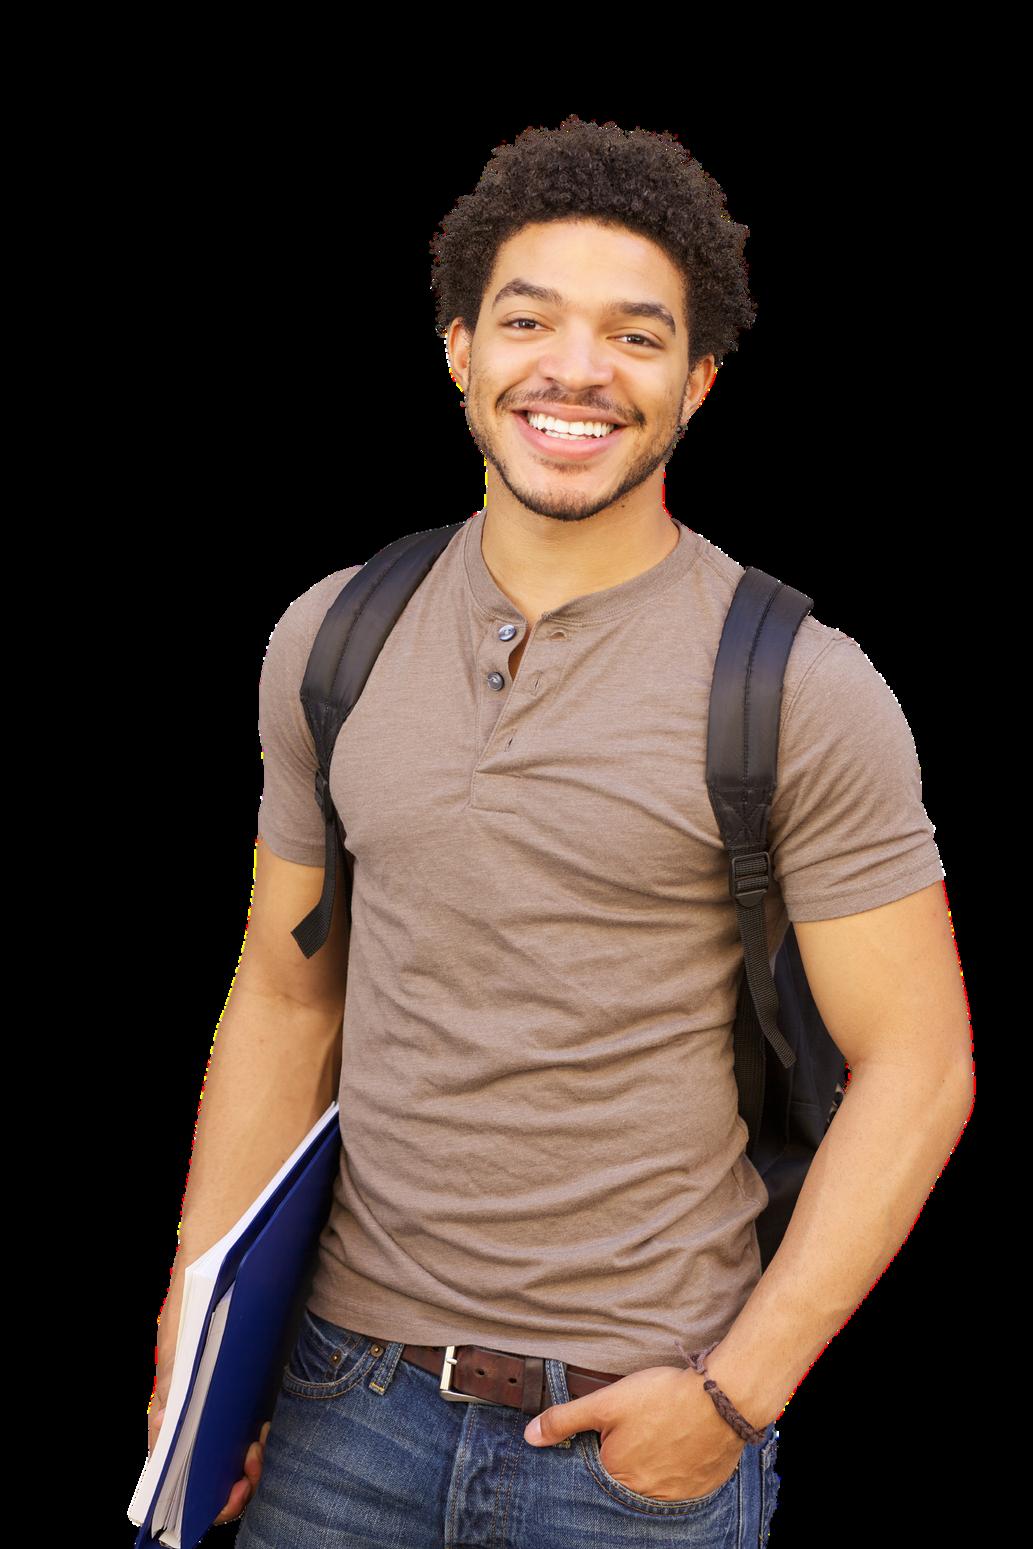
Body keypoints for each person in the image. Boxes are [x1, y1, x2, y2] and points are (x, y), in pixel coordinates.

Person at [149, 116, 973, 1546]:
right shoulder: (330, 640)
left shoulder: (796, 686)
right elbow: (287, 997)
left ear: (696, 382)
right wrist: (200, 1332)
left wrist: (730, 1398)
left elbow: (920, 1065)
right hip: (338, 1402)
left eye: (635, 337)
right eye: (529, 320)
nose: (576, 370)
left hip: (634, 1441)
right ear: (461, 349)